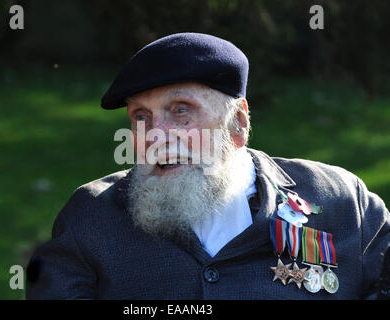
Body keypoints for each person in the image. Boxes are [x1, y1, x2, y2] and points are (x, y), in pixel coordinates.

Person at [26, 33, 389, 299]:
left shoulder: (344, 203)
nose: (157, 135)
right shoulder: (91, 218)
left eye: (181, 110)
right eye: (141, 116)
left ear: (239, 122)